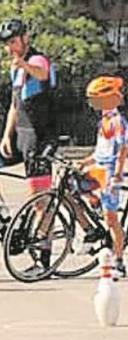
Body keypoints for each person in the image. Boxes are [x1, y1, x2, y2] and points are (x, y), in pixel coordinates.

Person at [0, 19, 58, 249]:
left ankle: (43, 254)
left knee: (39, 200)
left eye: (13, 41)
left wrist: (24, 65)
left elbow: (42, 73)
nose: (10, 47)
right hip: (20, 135)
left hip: (40, 138)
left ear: (25, 39)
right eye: (6, 44)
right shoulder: (15, 68)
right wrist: (7, 136)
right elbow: (14, 105)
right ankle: (2, 216)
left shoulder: (36, 60)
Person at [75, 76, 128, 277]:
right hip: (99, 168)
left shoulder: (117, 121)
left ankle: (119, 260)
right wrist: (83, 162)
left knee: (111, 219)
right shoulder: (103, 121)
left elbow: (123, 149)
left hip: (109, 173)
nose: (92, 103)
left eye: (95, 98)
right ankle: (91, 223)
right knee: (71, 184)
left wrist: (116, 175)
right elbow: (100, 152)